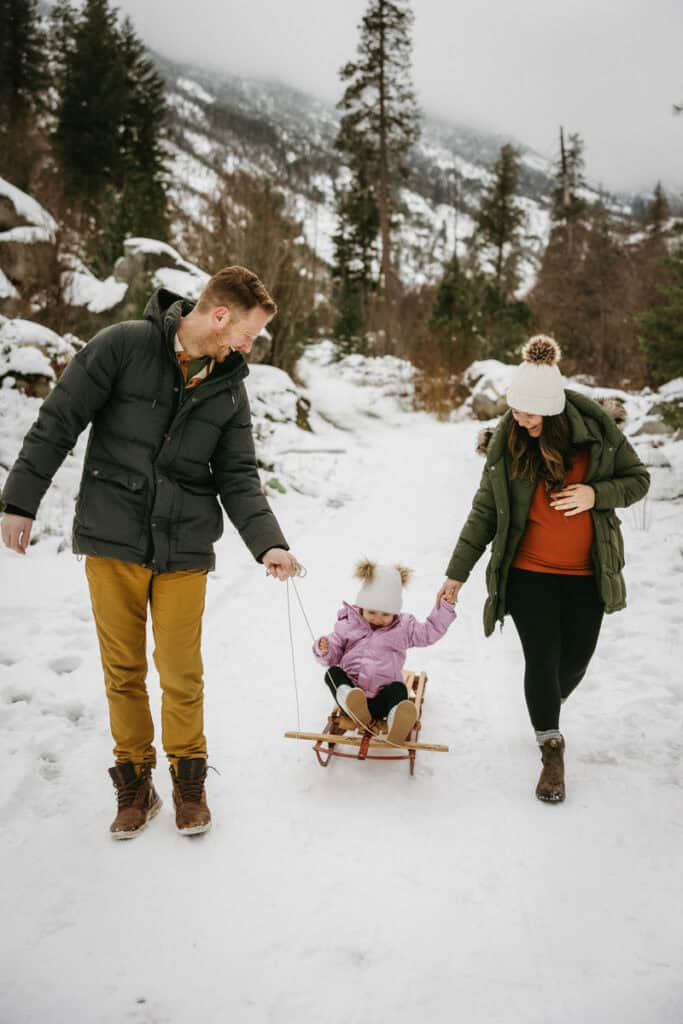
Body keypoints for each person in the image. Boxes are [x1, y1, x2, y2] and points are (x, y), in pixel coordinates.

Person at [0, 266, 300, 839]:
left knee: (182, 671)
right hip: (114, 536)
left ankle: (189, 782)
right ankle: (135, 785)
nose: (249, 345)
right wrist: (20, 499)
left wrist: (270, 543)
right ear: (219, 315)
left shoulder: (229, 385)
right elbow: (59, 419)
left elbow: (238, 474)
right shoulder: (123, 346)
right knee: (124, 670)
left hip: (185, 544)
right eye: (249, 332)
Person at [437, 336, 650, 802]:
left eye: (531, 414)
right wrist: (457, 573)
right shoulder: (509, 444)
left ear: (553, 411)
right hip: (529, 573)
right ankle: (550, 747)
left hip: (587, 574)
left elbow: (638, 480)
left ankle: (545, 705)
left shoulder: (595, 433)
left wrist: (596, 495)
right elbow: (484, 514)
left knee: (575, 660)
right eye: (516, 411)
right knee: (542, 656)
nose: (521, 421)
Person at [314, 560, 456, 743]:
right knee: (332, 674)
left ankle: (396, 718)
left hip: (382, 699)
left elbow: (429, 632)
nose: (378, 619)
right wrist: (324, 649)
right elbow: (333, 652)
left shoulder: (403, 628)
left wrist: (444, 608)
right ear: (362, 606)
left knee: (398, 690)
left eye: (385, 614)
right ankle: (349, 699)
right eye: (372, 612)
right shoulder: (349, 623)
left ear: (395, 613)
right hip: (353, 692)